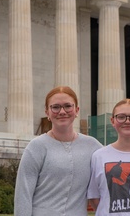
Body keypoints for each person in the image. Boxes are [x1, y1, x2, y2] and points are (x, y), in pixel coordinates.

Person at [14, 85, 103, 216]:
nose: (62, 111)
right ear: (47, 112)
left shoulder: (92, 146)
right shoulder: (36, 147)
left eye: (68, 106)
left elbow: (115, 165)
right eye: (55, 107)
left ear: (77, 110)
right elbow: (23, 195)